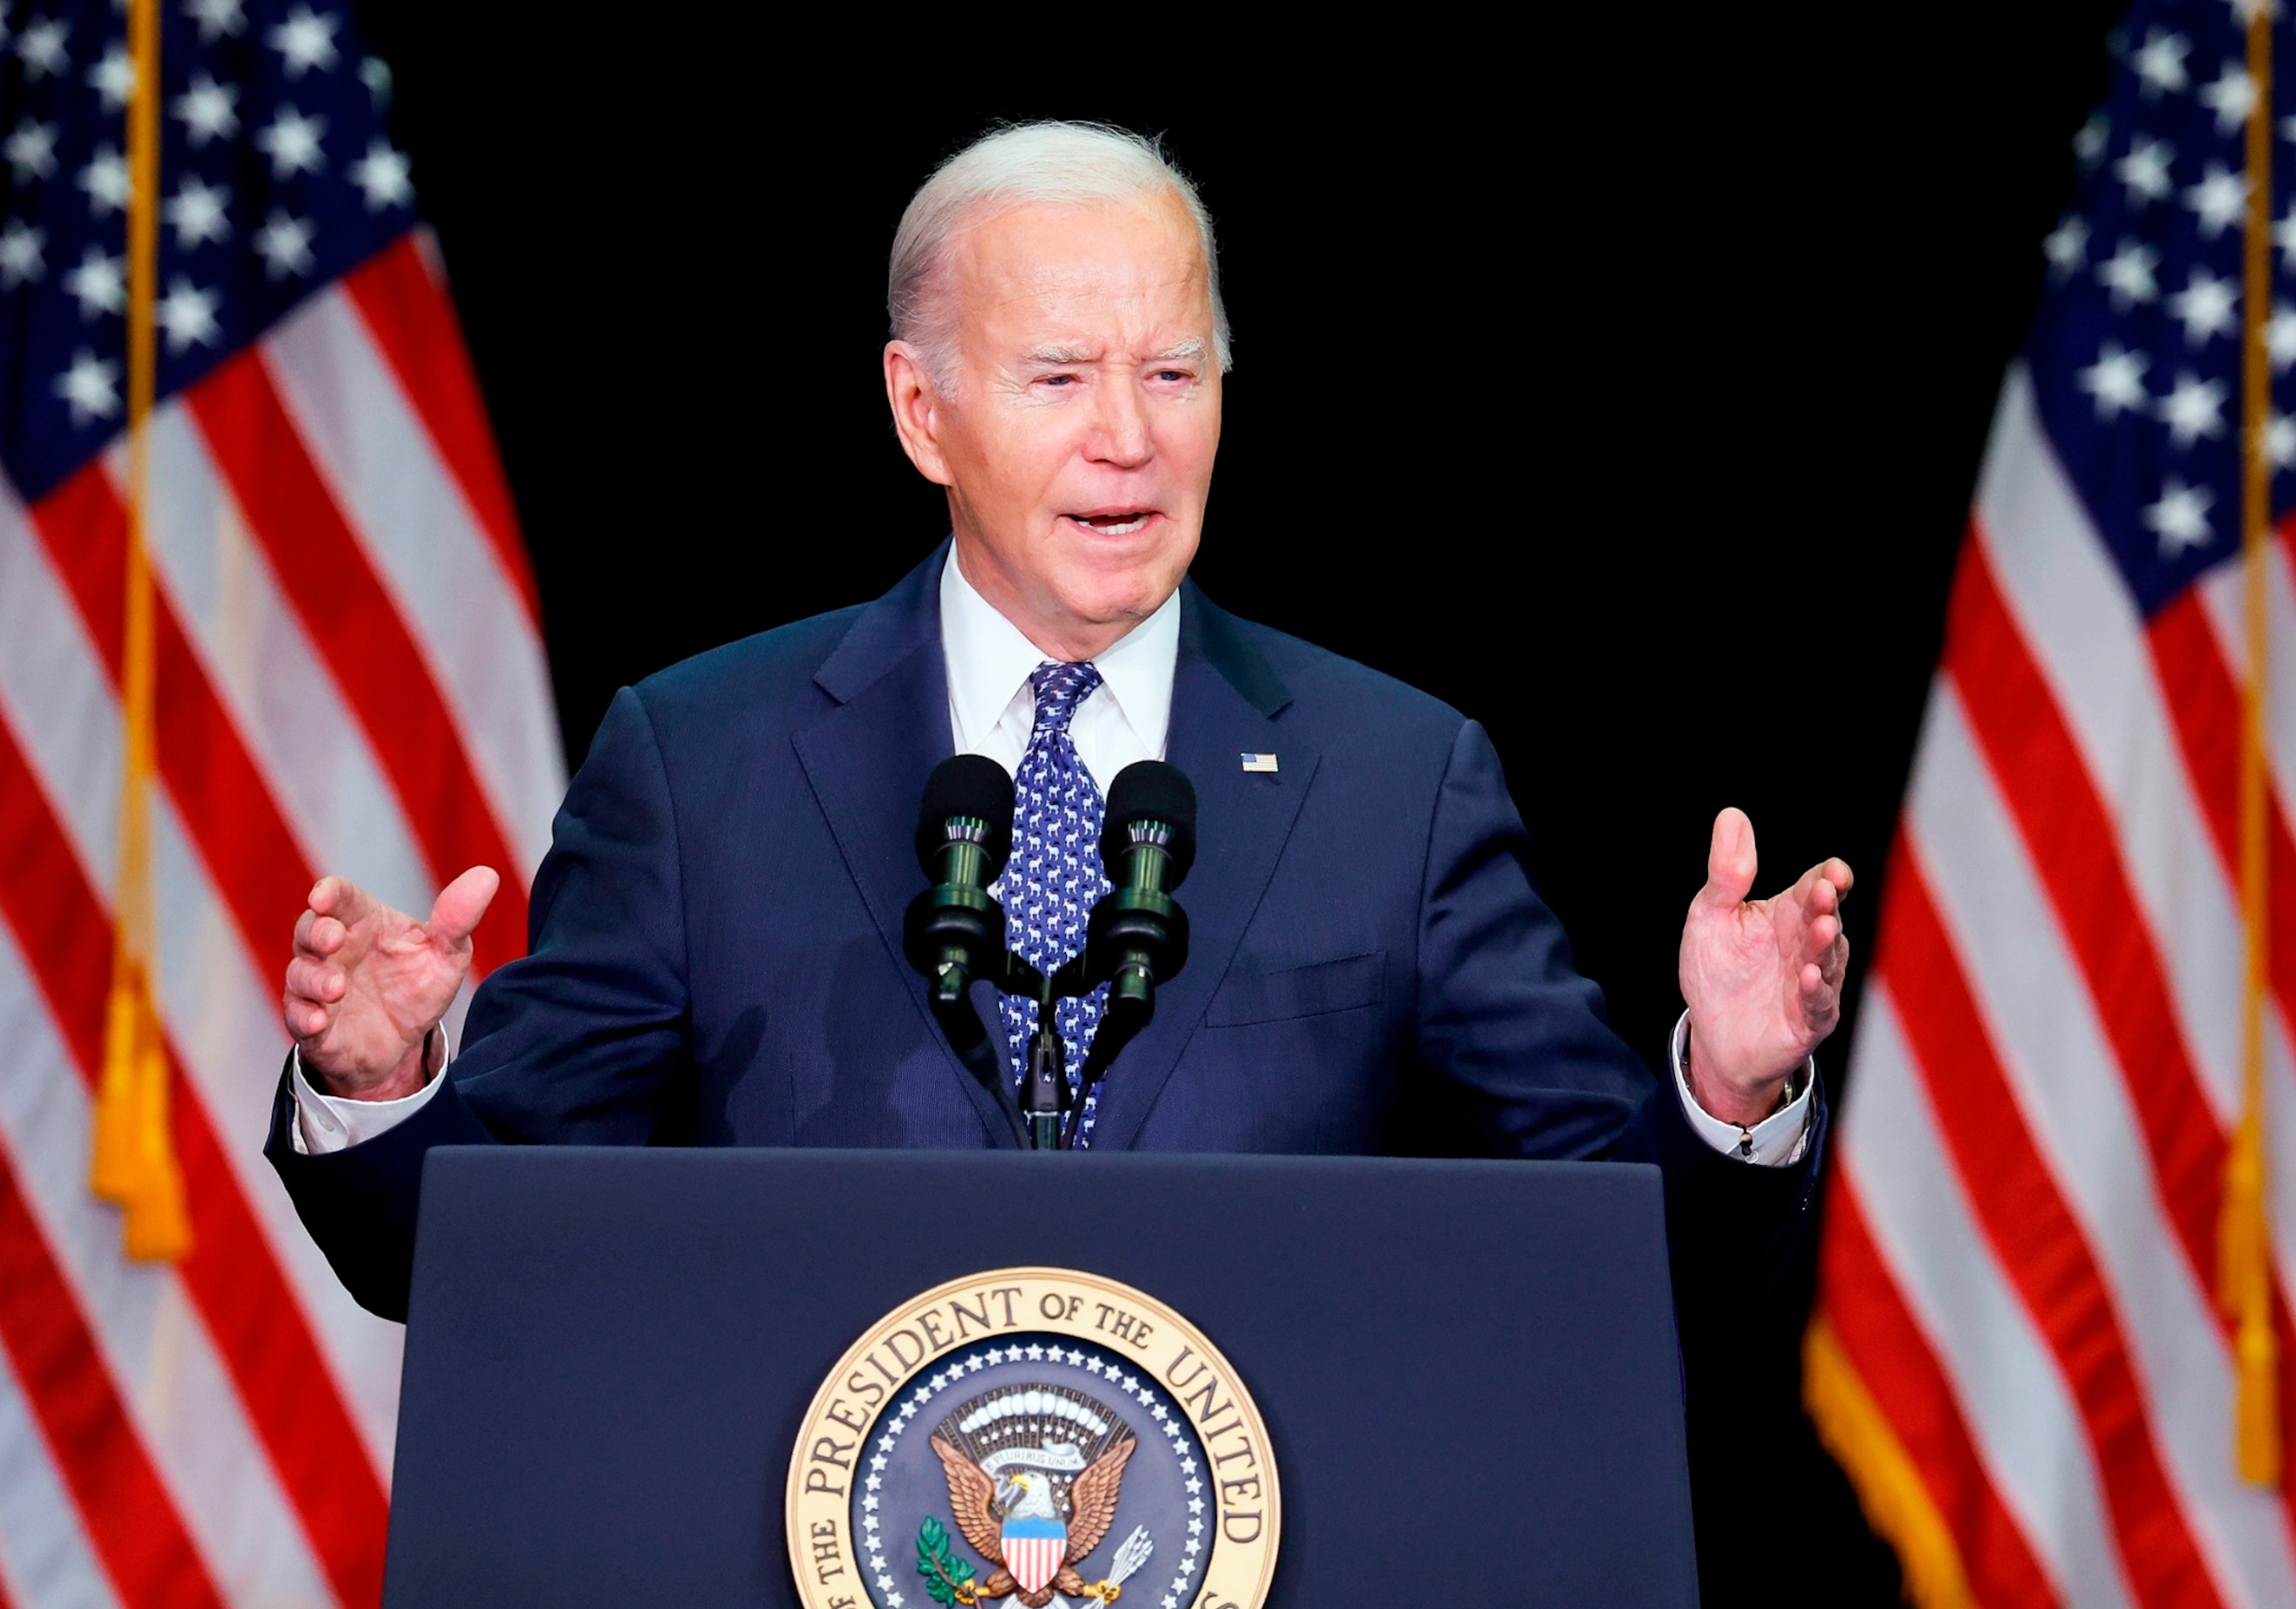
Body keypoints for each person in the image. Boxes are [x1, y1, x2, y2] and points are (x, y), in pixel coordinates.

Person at [268, 122, 1851, 1328]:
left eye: (1175, 371)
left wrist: (1728, 1088)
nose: (1128, 437)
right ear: (920, 410)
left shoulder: (1395, 778)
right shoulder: (703, 766)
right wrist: (382, 1084)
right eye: (1057, 375)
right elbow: (477, 1262)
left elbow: (1630, 1270)